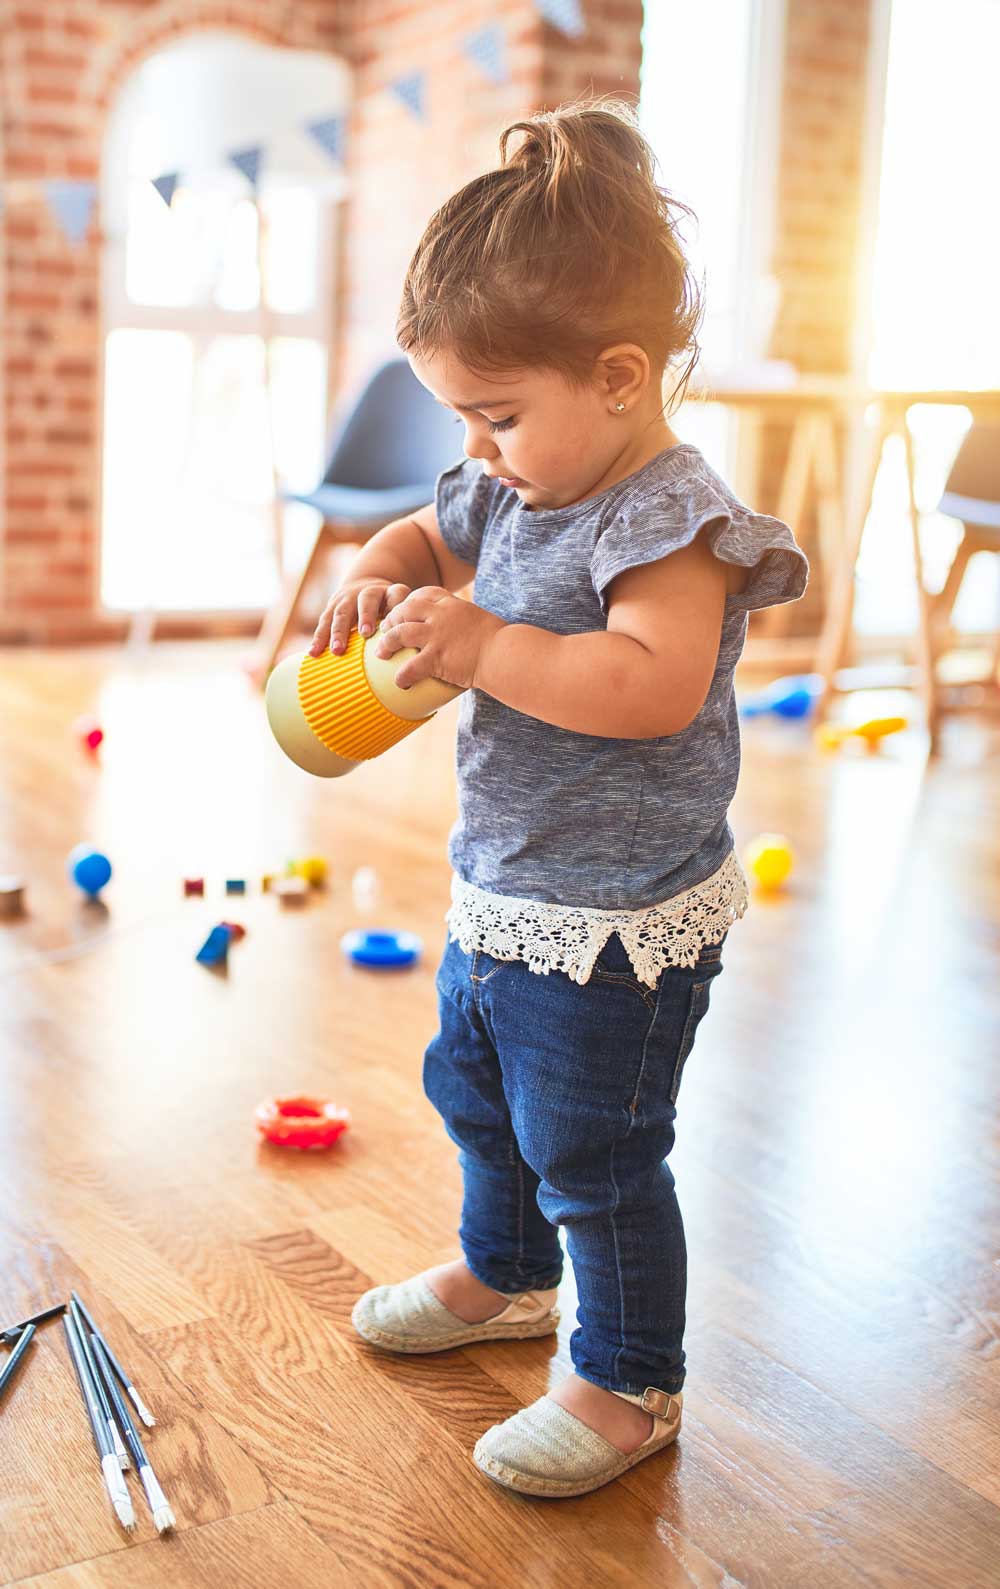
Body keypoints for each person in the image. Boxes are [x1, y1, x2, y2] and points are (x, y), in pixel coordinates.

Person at [309, 97, 808, 1499]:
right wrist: (383, 561)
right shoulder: (517, 481)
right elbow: (430, 521)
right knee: (474, 1088)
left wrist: (484, 645)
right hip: (512, 883)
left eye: (498, 413)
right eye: (464, 415)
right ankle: (509, 1269)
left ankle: (628, 1373)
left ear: (623, 376)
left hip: (621, 918)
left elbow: (648, 683)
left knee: (594, 1143)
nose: (477, 448)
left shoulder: (671, 519)